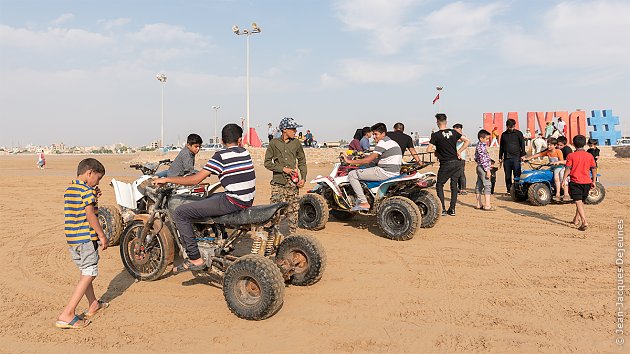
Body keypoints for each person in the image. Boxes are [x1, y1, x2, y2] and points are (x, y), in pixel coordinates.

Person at [154, 124, 256, 273]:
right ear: (240, 140)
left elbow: (195, 179)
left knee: (180, 213)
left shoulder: (220, 156)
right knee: (207, 198)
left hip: (233, 200)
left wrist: (167, 180)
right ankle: (222, 240)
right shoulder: (244, 152)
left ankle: (195, 258)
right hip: (246, 198)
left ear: (221, 140)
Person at [57, 158, 108, 329]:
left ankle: (93, 303)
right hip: (86, 238)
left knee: (84, 272)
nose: (98, 182)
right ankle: (68, 313)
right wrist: (101, 235)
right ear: (90, 173)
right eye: (98, 178)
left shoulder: (70, 189)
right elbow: (91, 215)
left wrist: (94, 196)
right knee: (90, 273)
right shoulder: (87, 192)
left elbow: (84, 209)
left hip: (72, 239)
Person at [345, 122, 402, 211]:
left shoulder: (382, 142)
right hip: (395, 172)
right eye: (373, 134)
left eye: (376, 134)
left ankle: (363, 202)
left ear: (383, 134)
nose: (374, 137)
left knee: (352, 174)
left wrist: (350, 161)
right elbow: (375, 159)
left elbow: (368, 160)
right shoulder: (392, 142)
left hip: (384, 172)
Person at [264, 117, 307, 235]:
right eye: (293, 129)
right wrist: (283, 169)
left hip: (293, 183)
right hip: (278, 182)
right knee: (275, 209)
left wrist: (303, 178)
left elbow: (302, 161)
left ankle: (292, 235)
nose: (295, 131)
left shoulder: (297, 143)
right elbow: (267, 163)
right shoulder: (273, 143)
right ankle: (272, 235)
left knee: (293, 209)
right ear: (284, 129)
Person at [426, 113, 470, 216]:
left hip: (446, 163)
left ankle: (443, 209)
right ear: (446, 122)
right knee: (454, 185)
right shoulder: (454, 132)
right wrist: (459, 151)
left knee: (439, 184)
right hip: (457, 163)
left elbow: (428, 149)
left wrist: (437, 151)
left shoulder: (436, 135)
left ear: (437, 122)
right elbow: (467, 141)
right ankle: (452, 209)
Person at [561, 135, 596, 231]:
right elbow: (593, 169)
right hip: (587, 182)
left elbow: (567, 168)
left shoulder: (571, 155)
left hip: (576, 181)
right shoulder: (590, 156)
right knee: (580, 201)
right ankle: (576, 220)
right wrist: (593, 181)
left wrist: (563, 180)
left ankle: (584, 221)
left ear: (573, 144)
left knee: (578, 202)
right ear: (584, 144)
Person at [524, 138, 565, 202]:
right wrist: (528, 158)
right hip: (552, 167)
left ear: (555, 145)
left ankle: (558, 193)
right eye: (548, 144)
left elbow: (562, 161)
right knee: (544, 173)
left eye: (551, 145)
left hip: (559, 167)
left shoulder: (558, 151)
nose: (549, 146)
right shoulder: (547, 152)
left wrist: (557, 163)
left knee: (556, 177)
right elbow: (538, 155)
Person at [499, 119, 526, 195]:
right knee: (507, 176)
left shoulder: (519, 133)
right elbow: (501, 146)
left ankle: (517, 190)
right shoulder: (503, 135)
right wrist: (500, 157)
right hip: (507, 158)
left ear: (514, 125)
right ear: (507, 126)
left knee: (517, 175)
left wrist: (523, 155)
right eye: (509, 127)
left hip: (516, 158)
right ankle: (509, 190)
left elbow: (522, 145)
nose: (511, 128)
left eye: (512, 127)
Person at [474, 129, 494, 210]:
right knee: (487, 185)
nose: (487, 140)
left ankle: (479, 204)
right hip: (483, 167)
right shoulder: (481, 147)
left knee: (479, 185)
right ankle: (487, 205)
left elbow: (476, 158)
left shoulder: (478, 146)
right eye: (486, 139)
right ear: (481, 138)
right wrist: (488, 170)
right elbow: (483, 159)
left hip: (479, 166)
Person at [453, 123, 467, 194]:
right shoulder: (454, 136)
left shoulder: (463, 136)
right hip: (454, 158)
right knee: (456, 174)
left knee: (461, 173)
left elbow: (459, 140)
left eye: (456, 130)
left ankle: (463, 189)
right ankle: (458, 188)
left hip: (461, 158)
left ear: (460, 129)